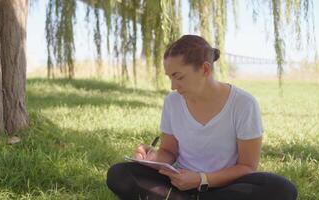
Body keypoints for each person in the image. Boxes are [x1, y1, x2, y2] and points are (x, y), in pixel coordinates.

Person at [106, 35, 298, 200]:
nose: (173, 86)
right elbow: (168, 150)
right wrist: (151, 158)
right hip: (179, 183)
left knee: (282, 189)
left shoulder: (243, 104)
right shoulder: (172, 103)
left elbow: (247, 166)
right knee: (119, 174)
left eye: (179, 77)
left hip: (226, 185)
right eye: (169, 77)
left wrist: (201, 179)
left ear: (205, 70)